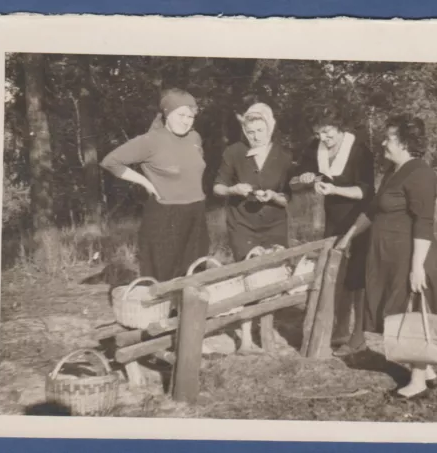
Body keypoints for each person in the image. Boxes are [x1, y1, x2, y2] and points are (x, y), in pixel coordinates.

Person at [336, 113, 437, 399]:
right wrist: (348, 237)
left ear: (407, 142)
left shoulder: (421, 173)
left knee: (411, 312)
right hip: (389, 256)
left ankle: (417, 382)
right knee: (396, 312)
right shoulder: (393, 171)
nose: (384, 142)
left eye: (390, 137)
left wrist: (417, 266)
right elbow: (372, 210)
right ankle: (426, 369)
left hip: (410, 256)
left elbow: (424, 222)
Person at [100, 88, 209, 283]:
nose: (186, 121)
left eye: (190, 116)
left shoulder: (195, 138)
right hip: (165, 216)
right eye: (180, 115)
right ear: (167, 113)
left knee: (195, 270)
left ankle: (191, 311)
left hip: (197, 213)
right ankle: (163, 312)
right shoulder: (150, 141)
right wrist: (145, 182)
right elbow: (111, 162)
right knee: (164, 275)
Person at [213, 102, 293, 354]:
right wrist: (233, 190)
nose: (255, 136)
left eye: (259, 130)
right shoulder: (234, 152)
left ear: (270, 128)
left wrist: (273, 196)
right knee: (247, 277)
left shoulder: (284, 157)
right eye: (250, 132)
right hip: (242, 224)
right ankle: (246, 338)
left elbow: (288, 196)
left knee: (271, 276)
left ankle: (268, 332)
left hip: (274, 224)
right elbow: (217, 187)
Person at [295, 106, 374, 356]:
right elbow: (298, 178)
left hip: (360, 218)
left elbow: (366, 192)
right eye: (319, 133)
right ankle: (337, 329)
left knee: (357, 278)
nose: (323, 139)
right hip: (333, 218)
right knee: (335, 272)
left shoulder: (360, 151)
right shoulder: (315, 147)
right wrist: (306, 178)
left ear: (341, 130)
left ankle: (358, 335)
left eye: (328, 133)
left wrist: (334, 190)